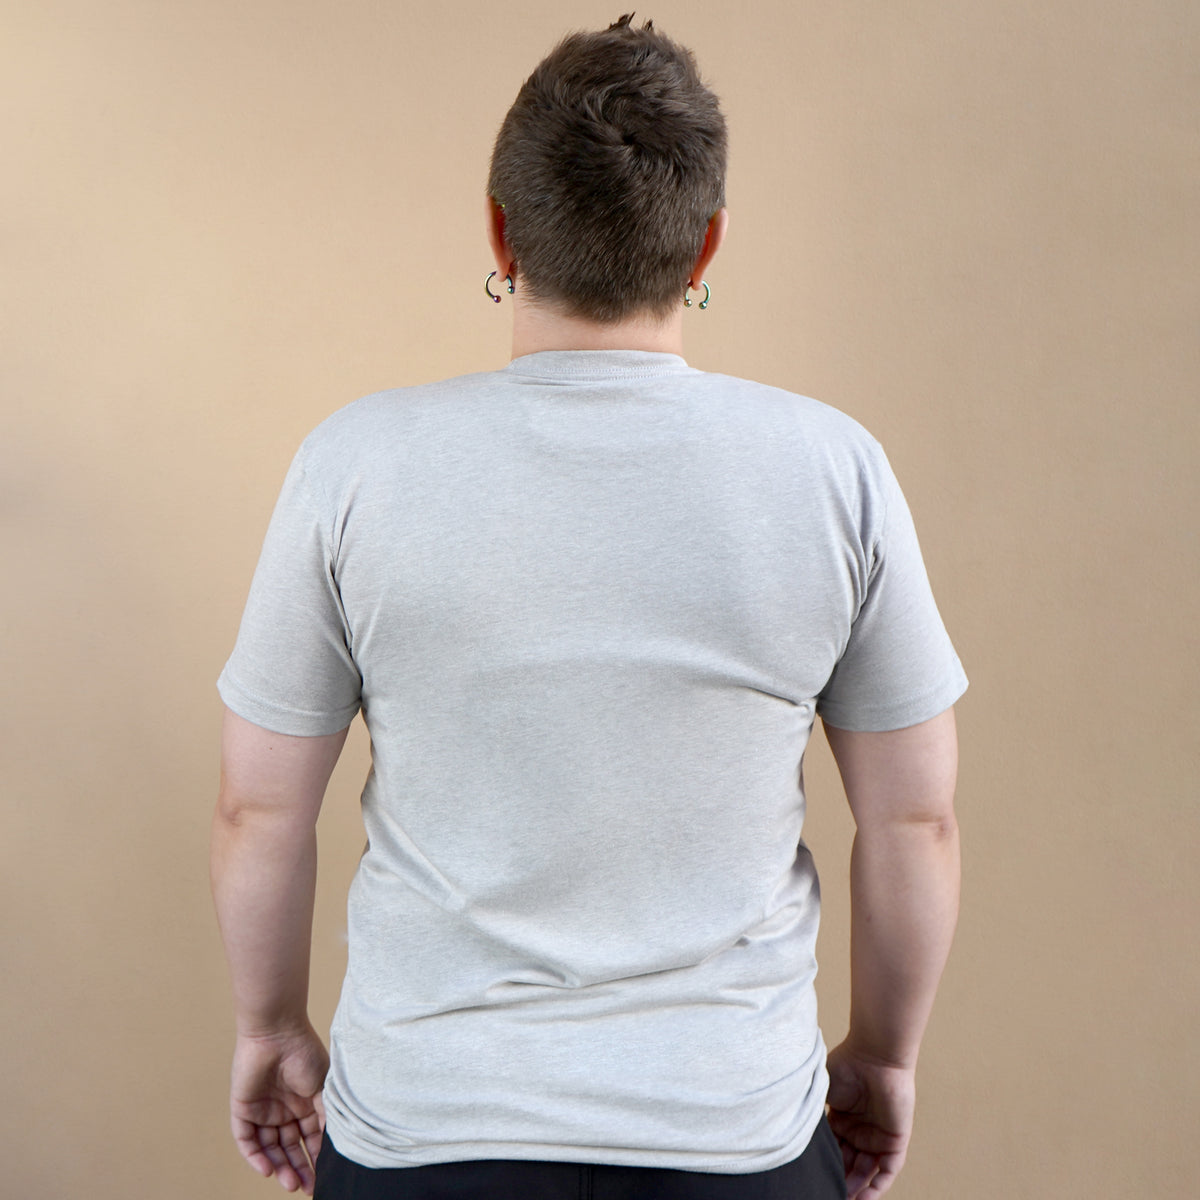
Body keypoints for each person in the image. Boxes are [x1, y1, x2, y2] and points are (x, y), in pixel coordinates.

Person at [210, 14, 966, 1200]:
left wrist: (268, 1027)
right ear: (705, 243)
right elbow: (915, 822)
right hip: (735, 1138)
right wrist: (883, 1057)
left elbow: (258, 809)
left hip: (430, 1135)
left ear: (501, 230)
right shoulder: (834, 471)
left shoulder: (354, 465)